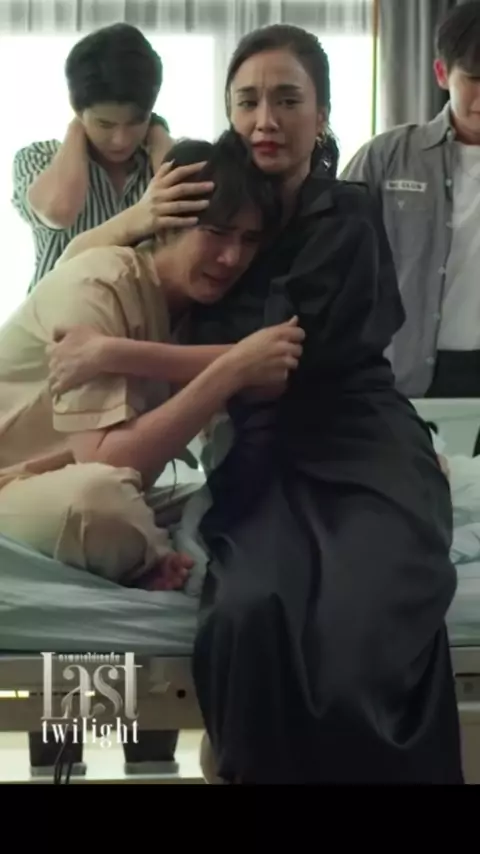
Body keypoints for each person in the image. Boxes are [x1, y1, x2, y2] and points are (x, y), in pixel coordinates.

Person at [46, 25, 465, 784]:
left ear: (322, 113)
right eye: (246, 101)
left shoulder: (347, 215)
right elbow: (83, 265)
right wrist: (139, 216)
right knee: (249, 609)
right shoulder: (215, 207)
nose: (265, 119)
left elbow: (279, 366)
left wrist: (113, 354)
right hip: (261, 453)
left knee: (359, 629)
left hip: (360, 445)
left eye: (287, 100)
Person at [0, 129, 305, 591]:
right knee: (97, 503)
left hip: (107, 486)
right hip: (21, 485)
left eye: (248, 240)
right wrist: (231, 370)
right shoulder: (99, 285)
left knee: (268, 500)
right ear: (166, 225)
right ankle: (143, 558)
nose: (231, 257)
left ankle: (145, 550)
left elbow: (273, 372)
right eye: (216, 233)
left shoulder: (196, 310)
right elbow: (110, 461)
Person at [341, 1, 480, 408]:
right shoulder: (387, 156)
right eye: (474, 79)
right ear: (442, 73)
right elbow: (328, 252)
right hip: (402, 374)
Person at [12, 23, 174, 290]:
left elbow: (196, 213)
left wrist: (158, 132)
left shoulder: (160, 156)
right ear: (77, 109)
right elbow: (59, 210)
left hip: (141, 313)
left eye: (135, 122)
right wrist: (76, 130)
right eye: (105, 124)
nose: (121, 139)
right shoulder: (37, 158)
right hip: (58, 312)